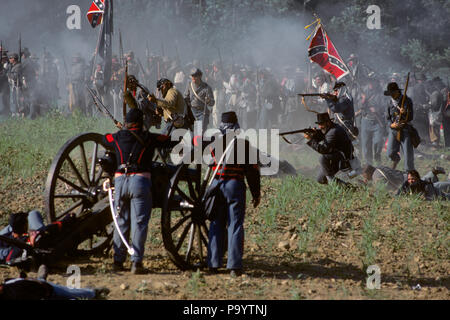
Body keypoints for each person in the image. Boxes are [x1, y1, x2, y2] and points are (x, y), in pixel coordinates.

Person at [102, 108, 180, 274]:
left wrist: (120, 130)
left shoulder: (117, 137)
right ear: (141, 122)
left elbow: (104, 138)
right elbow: (168, 141)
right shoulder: (149, 137)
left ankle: (118, 260)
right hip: (140, 181)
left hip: (120, 181)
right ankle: (136, 263)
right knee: (139, 223)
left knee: (121, 222)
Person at [205, 111, 261, 277]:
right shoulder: (244, 144)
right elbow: (252, 171)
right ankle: (234, 266)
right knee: (235, 225)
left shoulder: (213, 143)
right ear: (236, 126)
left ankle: (213, 263)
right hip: (234, 185)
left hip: (216, 185)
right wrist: (256, 193)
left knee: (216, 223)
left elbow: (208, 163)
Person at [0, 265, 109, 300]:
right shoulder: (13, 293)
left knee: (73, 292)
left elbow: (21, 280)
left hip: (41, 286)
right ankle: (93, 292)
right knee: (72, 295)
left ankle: (92, 292)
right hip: (47, 291)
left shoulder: (7, 284)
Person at [304, 112, 355, 185]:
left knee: (322, 158)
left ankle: (334, 183)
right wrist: (314, 134)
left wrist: (310, 139)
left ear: (328, 122)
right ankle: (344, 186)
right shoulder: (331, 128)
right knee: (320, 179)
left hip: (342, 158)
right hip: (335, 156)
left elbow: (323, 149)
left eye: (321, 124)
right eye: (319, 124)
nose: (320, 126)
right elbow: (323, 135)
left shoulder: (333, 131)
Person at [385, 82, 415, 171]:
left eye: (393, 93)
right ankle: (396, 159)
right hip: (393, 130)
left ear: (397, 91)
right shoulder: (389, 102)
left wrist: (405, 112)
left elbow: (410, 117)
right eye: (390, 94)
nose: (392, 95)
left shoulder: (407, 101)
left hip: (405, 129)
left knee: (407, 154)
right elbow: (387, 118)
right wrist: (391, 124)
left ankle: (409, 172)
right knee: (390, 153)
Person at [359, 77, 385, 165]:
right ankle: (368, 164)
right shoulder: (363, 92)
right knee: (366, 144)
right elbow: (358, 105)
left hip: (377, 121)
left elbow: (385, 106)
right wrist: (363, 100)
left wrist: (377, 109)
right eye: (369, 81)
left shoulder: (381, 93)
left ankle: (378, 159)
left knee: (378, 141)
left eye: (373, 81)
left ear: (376, 82)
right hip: (366, 120)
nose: (371, 83)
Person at [184, 68, 215, 132]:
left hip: (202, 112)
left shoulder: (207, 87)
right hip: (192, 111)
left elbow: (212, 102)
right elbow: (186, 97)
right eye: (192, 76)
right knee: (192, 131)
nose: (193, 78)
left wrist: (209, 100)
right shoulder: (190, 85)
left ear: (200, 76)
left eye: (195, 76)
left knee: (200, 131)